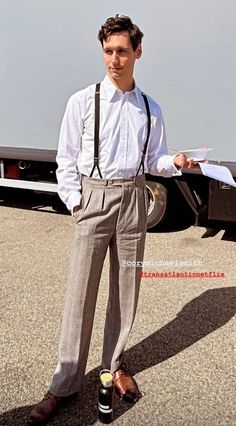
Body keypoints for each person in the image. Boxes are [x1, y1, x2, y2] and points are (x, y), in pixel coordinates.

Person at [28, 14, 195, 424]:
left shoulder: (150, 108)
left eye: (122, 51)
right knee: (79, 295)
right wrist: (76, 201)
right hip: (94, 199)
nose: (114, 60)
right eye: (108, 51)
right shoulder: (84, 101)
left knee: (126, 292)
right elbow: (65, 158)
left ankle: (113, 366)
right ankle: (64, 383)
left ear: (138, 52)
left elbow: (154, 158)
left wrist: (173, 161)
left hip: (134, 197)